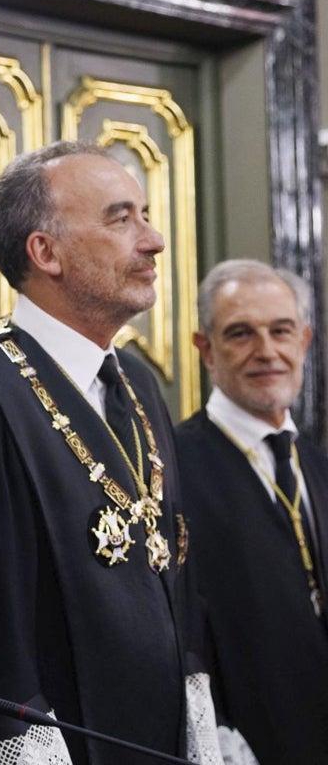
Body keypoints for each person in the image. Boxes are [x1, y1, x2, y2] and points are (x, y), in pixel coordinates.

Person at [0, 141, 221, 763]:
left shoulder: (139, 382)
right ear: (44, 252)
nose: (153, 239)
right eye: (120, 218)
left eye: (147, 215)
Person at [174, 259, 328, 764]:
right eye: (241, 334)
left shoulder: (318, 465)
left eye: (281, 331)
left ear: (303, 341)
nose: (267, 352)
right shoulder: (173, 467)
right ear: (206, 350)